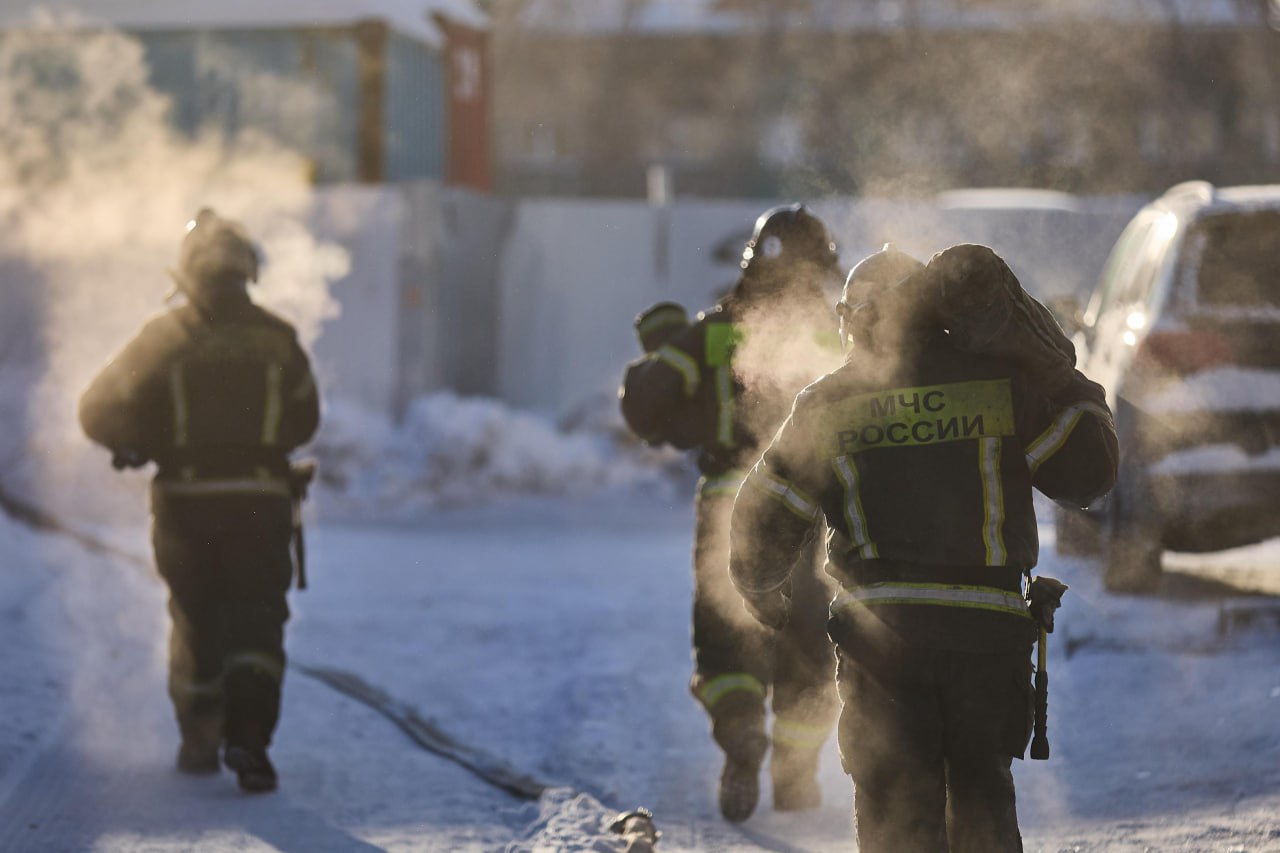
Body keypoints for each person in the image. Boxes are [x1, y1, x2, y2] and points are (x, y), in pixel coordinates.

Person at [728, 244, 1119, 851]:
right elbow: (1087, 477)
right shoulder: (1000, 388)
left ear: (852, 320)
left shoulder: (827, 405)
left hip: (880, 647)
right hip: (987, 647)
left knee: (894, 816)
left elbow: (764, 517)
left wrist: (760, 589)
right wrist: (1066, 381)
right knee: (981, 809)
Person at [79, 209, 320, 793]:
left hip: (184, 503)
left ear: (187, 272)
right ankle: (251, 743)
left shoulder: (164, 337)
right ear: (249, 269)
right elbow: (305, 419)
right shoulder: (279, 338)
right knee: (257, 621)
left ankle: (199, 740)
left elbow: (94, 409)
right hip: (260, 501)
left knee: (195, 619)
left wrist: (138, 441)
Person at [619, 204, 845, 822]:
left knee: (725, 641)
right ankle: (795, 774)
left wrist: (667, 359)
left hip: (728, 507)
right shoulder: (840, 335)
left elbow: (645, 408)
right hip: (809, 515)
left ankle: (742, 733)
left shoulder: (713, 331)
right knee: (811, 640)